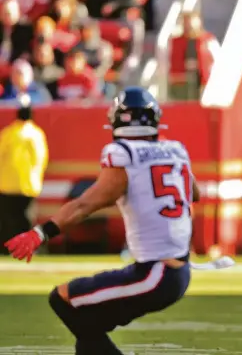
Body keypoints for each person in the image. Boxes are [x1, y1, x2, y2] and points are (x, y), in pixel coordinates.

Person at [4, 86, 199, 355]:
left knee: (63, 300)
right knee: (87, 327)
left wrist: (39, 233)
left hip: (156, 274)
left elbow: (85, 204)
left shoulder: (123, 154)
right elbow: (193, 193)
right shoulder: (176, 150)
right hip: (176, 269)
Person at [0, 96, 48, 254]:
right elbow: (41, 159)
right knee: (25, 219)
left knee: (7, 220)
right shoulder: (36, 134)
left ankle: (7, 248)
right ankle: (26, 248)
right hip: (28, 184)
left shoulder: (8, 133)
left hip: (6, 185)